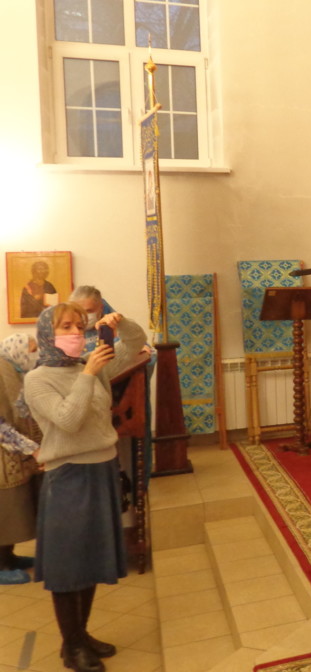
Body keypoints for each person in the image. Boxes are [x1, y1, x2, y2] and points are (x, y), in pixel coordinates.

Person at [24, 304, 146, 672]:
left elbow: (136, 344)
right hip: (68, 475)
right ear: (48, 333)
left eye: (80, 325)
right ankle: (72, 645)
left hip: (102, 468)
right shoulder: (38, 379)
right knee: (68, 565)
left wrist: (121, 322)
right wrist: (90, 373)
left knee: (90, 559)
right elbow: (68, 420)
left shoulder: (90, 366)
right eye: (66, 326)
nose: (76, 333)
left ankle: (81, 635)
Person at [0, 333, 41, 586]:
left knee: (15, 510)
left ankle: (9, 557)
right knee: (5, 510)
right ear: (17, 350)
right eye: (32, 349)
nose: (35, 354)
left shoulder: (14, 370)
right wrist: (30, 448)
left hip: (13, 454)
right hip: (3, 456)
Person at [69, 285, 116, 355]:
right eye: (78, 311)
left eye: (88, 311)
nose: (83, 316)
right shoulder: (65, 333)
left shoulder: (112, 327)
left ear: (101, 308)